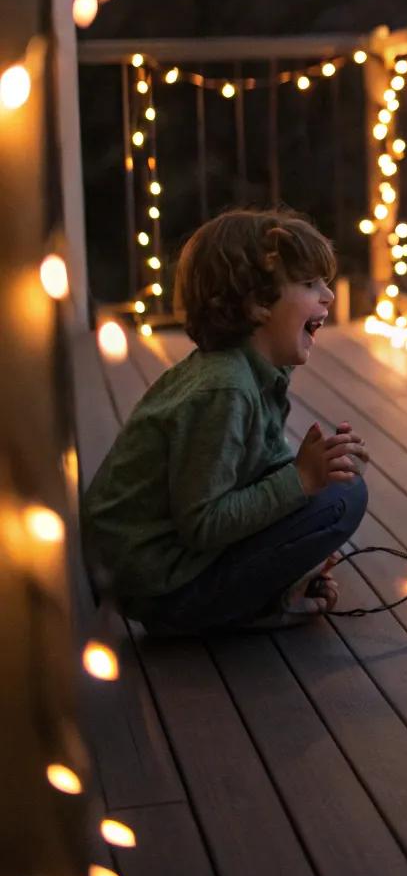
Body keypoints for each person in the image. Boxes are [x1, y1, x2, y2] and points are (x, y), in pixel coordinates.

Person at [83, 208, 369, 634]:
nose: (327, 296)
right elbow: (203, 524)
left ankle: (261, 590)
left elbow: (253, 471)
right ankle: (241, 609)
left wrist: (324, 468)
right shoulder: (224, 390)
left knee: (339, 489)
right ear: (257, 304)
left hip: (172, 565)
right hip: (164, 587)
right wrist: (304, 481)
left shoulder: (251, 372)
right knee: (343, 501)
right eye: (309, 284)